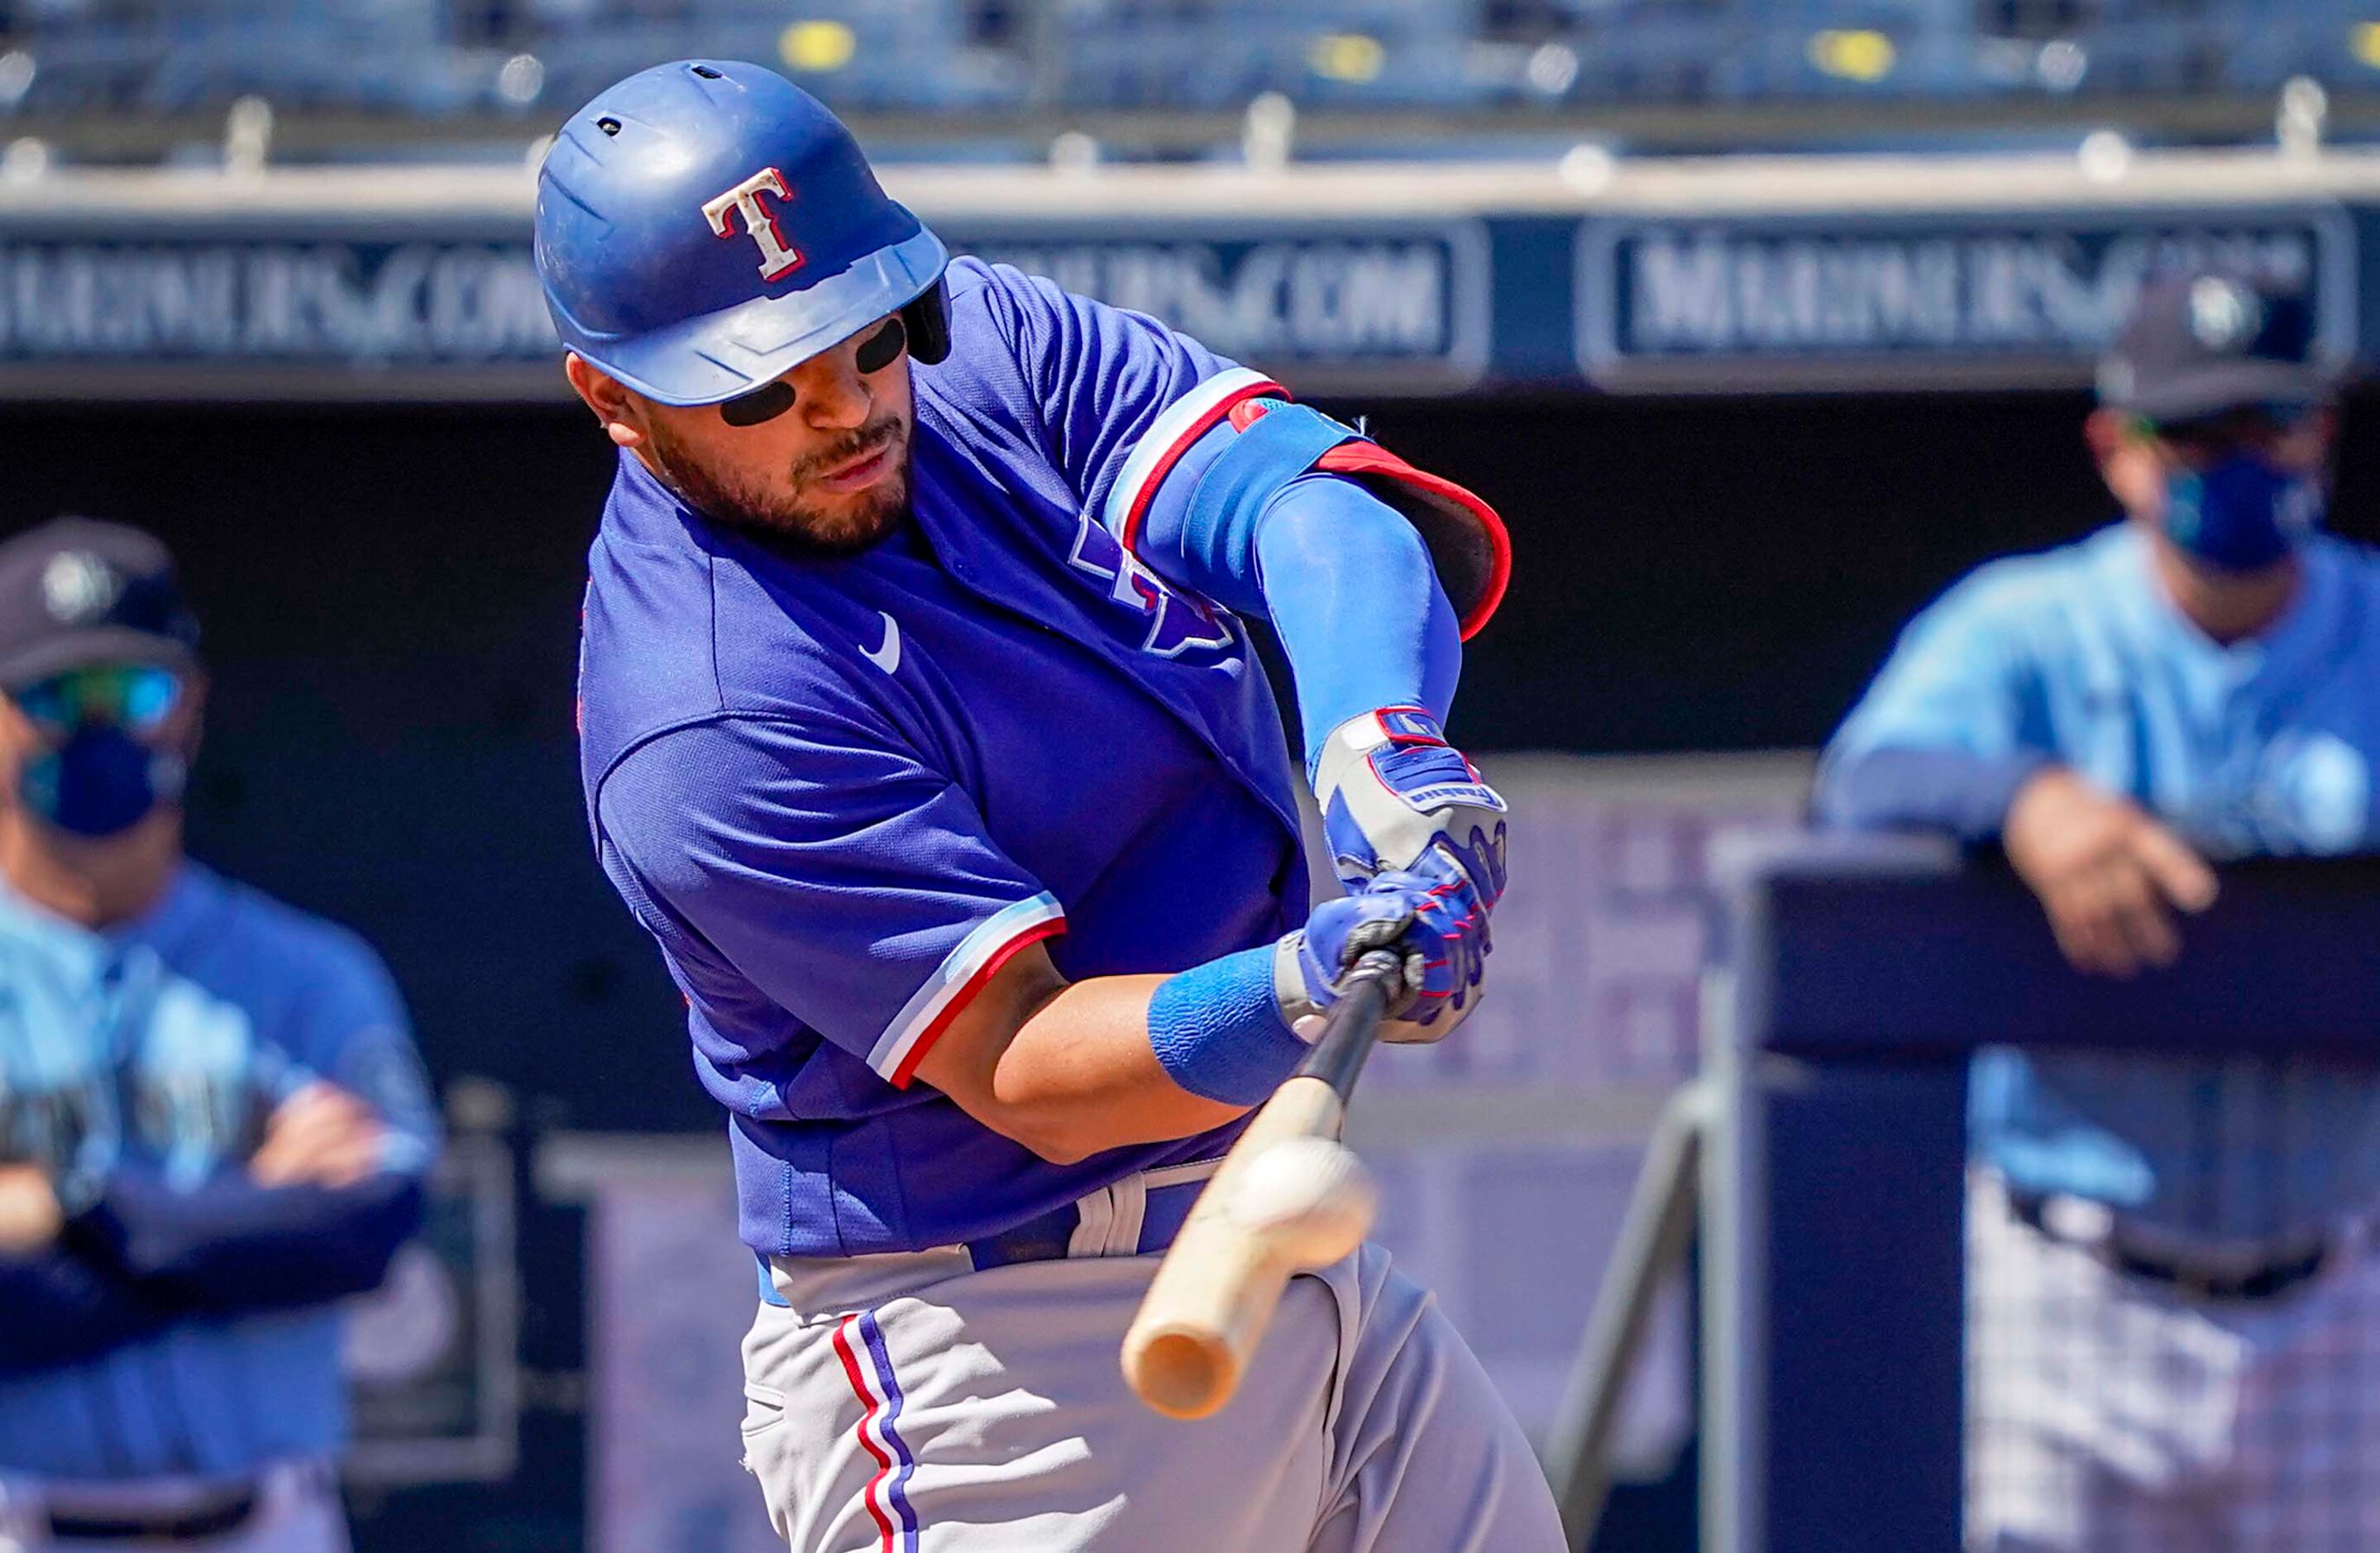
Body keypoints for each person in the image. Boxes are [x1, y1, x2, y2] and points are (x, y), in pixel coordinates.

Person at [542, 60, 1553, 1553]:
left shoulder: (985, 349)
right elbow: (1025, 1057)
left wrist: (1378, 746)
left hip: (1266, 1230)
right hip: (994, 1348)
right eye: (757, 382)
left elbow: (1310, 508)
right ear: (617, 402)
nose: (840, 406)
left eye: (862, 339)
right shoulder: (701, 714)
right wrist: (1293, 985)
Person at [1817, 270, 2380, 1551]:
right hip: (2073, 1278)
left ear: (2318, 436)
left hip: (2335, 1277)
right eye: (2192, 434)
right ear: (2116, 449)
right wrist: (2023, 796)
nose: (2233, 464)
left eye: (2262, 428)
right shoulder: (2030, 629)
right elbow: (1864, 775)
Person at [0, 518, 437, 1553]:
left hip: (264, 1520)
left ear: (189, 710)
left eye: (136, 697)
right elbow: (287, 1236)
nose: (102, 731)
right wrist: (236, 1220)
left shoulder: (306, 975)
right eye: (60, 699)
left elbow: (362, 1228)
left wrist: (70, 1207)